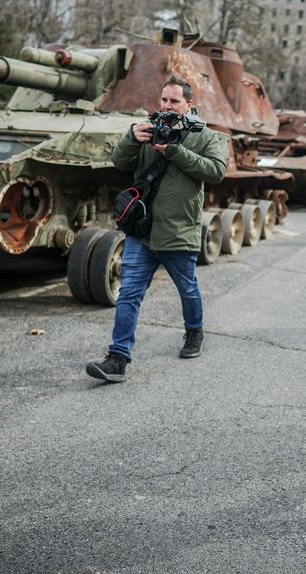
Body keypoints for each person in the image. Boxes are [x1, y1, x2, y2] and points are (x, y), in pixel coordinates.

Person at [86, 76, 228, 382]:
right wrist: (130, 138)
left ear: (190, 104)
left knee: (187, 289)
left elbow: (216, 171)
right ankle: (117, 358)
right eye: (164, 100)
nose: (167, 106)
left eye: (174, 101)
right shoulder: (147, 129)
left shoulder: (205, 136)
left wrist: (175, 152)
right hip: (142, 230)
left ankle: (194, 333)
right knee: (129, 294)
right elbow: (119, 162)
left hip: (179, 231)